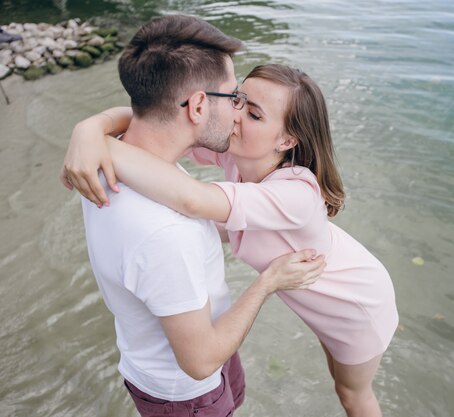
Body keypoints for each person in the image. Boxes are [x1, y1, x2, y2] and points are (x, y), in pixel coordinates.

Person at [64, 64, 398, 417]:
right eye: (238, 99)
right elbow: (161, 122)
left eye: (253, 114)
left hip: (354, 304)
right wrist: (89, 129)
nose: (234, 115)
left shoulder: (297, 192)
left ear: (286, 140)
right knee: (338, 377)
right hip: (316, 298)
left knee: (351, 394)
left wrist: (99, 147)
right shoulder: (236, 155)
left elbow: (191, 198)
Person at [60, 16, 326, 417]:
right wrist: (268, 281)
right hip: (185, 392)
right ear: (199, 105)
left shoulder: (110, 155)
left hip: (172, 349)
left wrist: (88, 127)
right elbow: (200, 362)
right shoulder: (164, 233)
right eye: (233, 96)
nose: (237, 109)